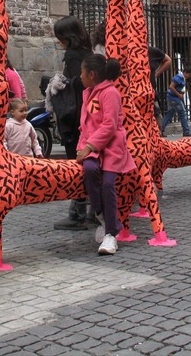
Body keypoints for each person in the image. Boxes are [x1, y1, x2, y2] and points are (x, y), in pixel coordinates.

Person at [76, 54, 134, 256]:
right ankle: (102, 216)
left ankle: (111, 233)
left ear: (91, 74)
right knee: (90, 171)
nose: (80, 76)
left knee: (108, 183)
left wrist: (90, 146)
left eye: (82, 72)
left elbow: (109, 125)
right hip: (92, 145)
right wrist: (83, 145)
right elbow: (86, 124)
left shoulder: (110, 93)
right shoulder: (89, 92)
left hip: (109, 147)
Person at [49, 16, 94, 231]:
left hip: (76, 118)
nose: (58, 40)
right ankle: (94, 211)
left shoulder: (73, 56)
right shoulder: (88, 53)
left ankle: (77, 213)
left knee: (77, 164)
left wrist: (55, 85)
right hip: (87, 116)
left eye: (60, 36)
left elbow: (78, 85)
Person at [159, 67, 191, 137]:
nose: (189, 76)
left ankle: (160, 130)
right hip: (174, 99)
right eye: (189, 75)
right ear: (185, 73)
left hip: (172, 98)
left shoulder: (182, 78)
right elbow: (171, 86)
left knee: (169, 115)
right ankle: (186, 131)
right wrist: (179, 95)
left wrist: (181, 93)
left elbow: (180, 88)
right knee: (182, 114)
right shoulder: (179, 77)